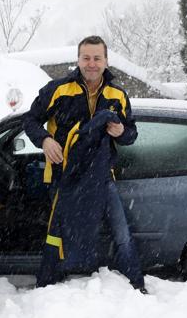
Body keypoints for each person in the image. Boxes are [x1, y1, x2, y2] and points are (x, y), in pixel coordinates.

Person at [23, 35, 146, 292]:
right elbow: (30, 121)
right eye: (86, 58)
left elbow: (132, 134)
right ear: (78, 60)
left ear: (105, 61)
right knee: (57, 233)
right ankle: (49, 286)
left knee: (121, 233)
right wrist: (45, 140)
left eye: (97, 58)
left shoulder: (117, 95)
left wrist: (121, 132)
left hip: (102, 176)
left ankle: (135, 285)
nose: (91, 63)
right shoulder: (58, 89)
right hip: (63, 175)